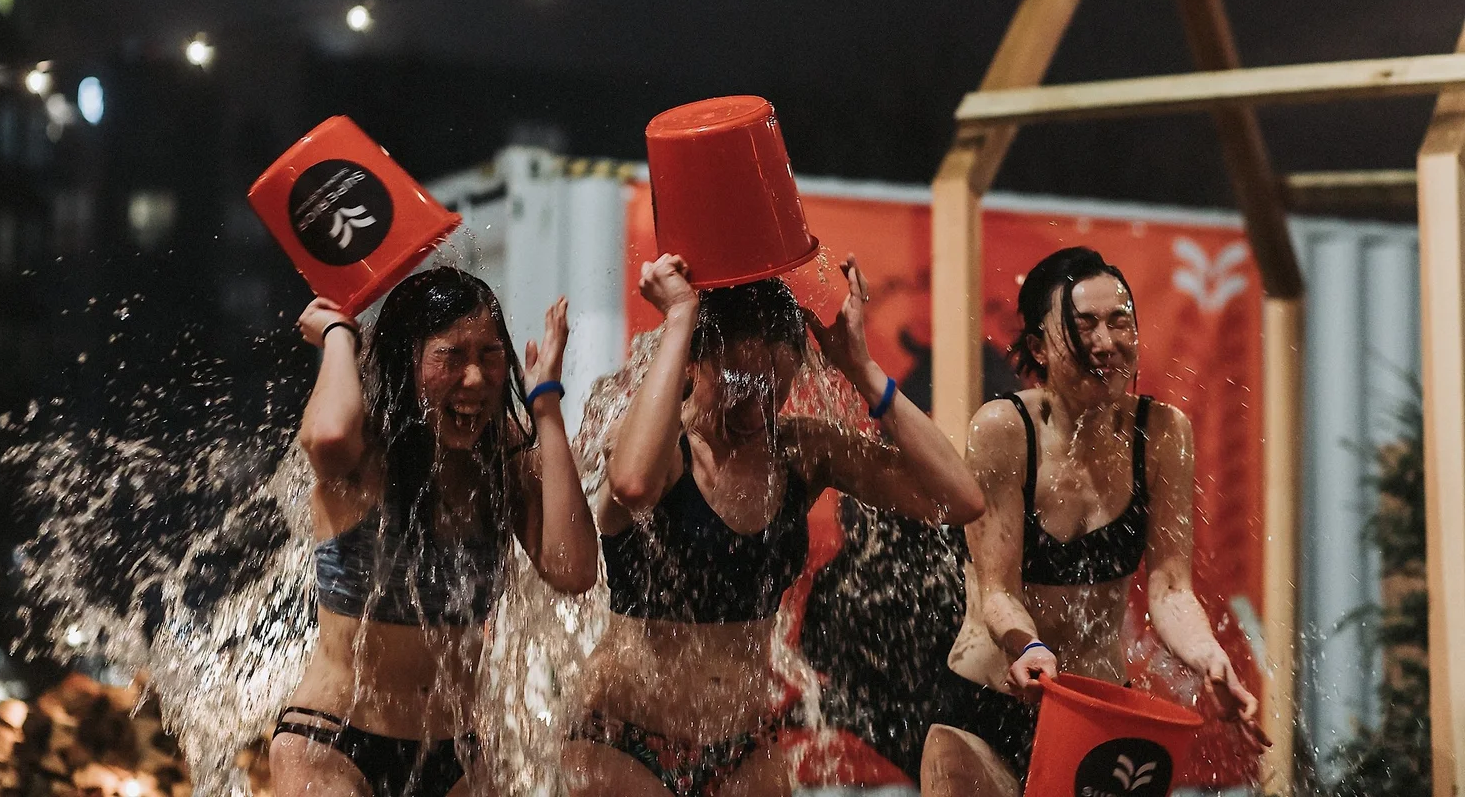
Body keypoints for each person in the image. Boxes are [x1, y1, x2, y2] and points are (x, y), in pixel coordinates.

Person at [565, 253, 986, 797]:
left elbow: (958, 498)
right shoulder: (659, 447)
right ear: (693, 364)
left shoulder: (799, 453)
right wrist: (679, 318)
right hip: (623, 742)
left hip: (743, 747)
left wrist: (862, 369)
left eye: (773, 388)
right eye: (737, 383)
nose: (753, 408)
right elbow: (631, 486)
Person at [919, 247, 1269, 797]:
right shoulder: (1004, 429)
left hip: (1097, 720)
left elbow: (1171, 588)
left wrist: (1211, 660)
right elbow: (996, 590)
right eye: (1083, 328)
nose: (1106, 343)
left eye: (1120, 321)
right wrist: (1029, 649)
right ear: (1038, 345)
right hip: (986, 708)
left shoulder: (1163, 433)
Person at [269, 268, 598, 797]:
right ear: (408, 359)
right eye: (450, 356)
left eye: (490, 354)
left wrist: (546, 405)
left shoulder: (500, 457)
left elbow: (574, 568)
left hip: (458, 754)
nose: (475, 379)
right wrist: (339, 336)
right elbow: (326, 437)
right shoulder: (367, 448)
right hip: (333, 744)